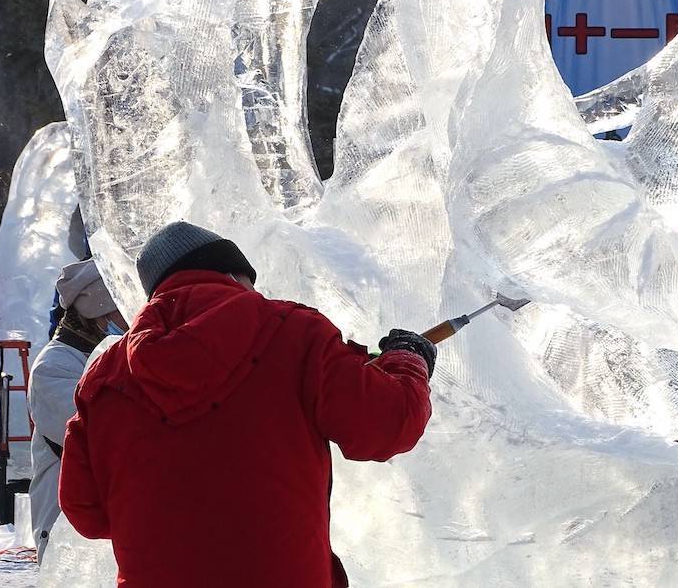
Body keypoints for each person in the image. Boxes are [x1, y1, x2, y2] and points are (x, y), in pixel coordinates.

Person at [59, 222, 435, 587]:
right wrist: (409, 359)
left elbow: (86, 513)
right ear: (233, 275)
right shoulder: (296, 332)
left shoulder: (103, 378)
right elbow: (387, 424)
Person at [28, 259, 127, 563]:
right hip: (66, 529)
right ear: (96, 316)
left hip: (107, 520)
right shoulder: (53, 366)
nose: (127, 320)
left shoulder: (113, 355)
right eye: (118, 312)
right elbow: (99, 431)